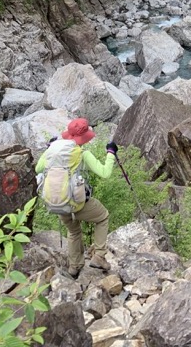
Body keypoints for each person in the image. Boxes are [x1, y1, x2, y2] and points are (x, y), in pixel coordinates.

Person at [35, 117, 119, 278]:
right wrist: (111, 153)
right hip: (77, 203)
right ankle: (99, 256)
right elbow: (105, 173)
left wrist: (48, 149)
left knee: (73, 232)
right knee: (102, 217)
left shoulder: (51, 151)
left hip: (56, 202)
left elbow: (38, 168)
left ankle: (75, 267)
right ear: (84, 138)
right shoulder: (82, 153)